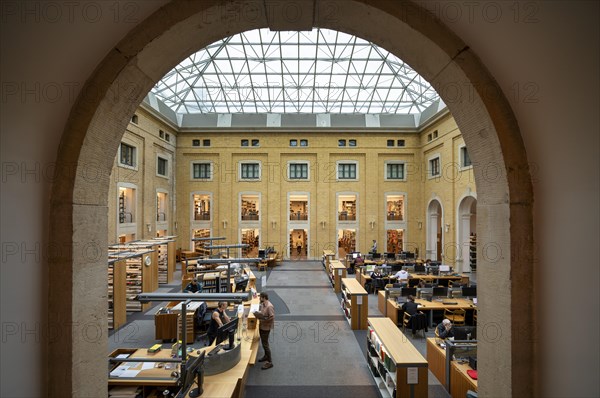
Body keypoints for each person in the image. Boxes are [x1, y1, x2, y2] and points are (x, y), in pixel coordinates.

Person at [253, 292, 275, 370]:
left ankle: (270, 362)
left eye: (260, 297)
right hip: (261, 325)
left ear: (264, 298)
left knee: (265, 344)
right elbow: (263, 313)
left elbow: (272, 317)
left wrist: (264, 321)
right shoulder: (263, 304)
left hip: (266, 327)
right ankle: (266, 356)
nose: (259, 299)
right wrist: (257, 313)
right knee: (263, 342)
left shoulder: (269, 306)